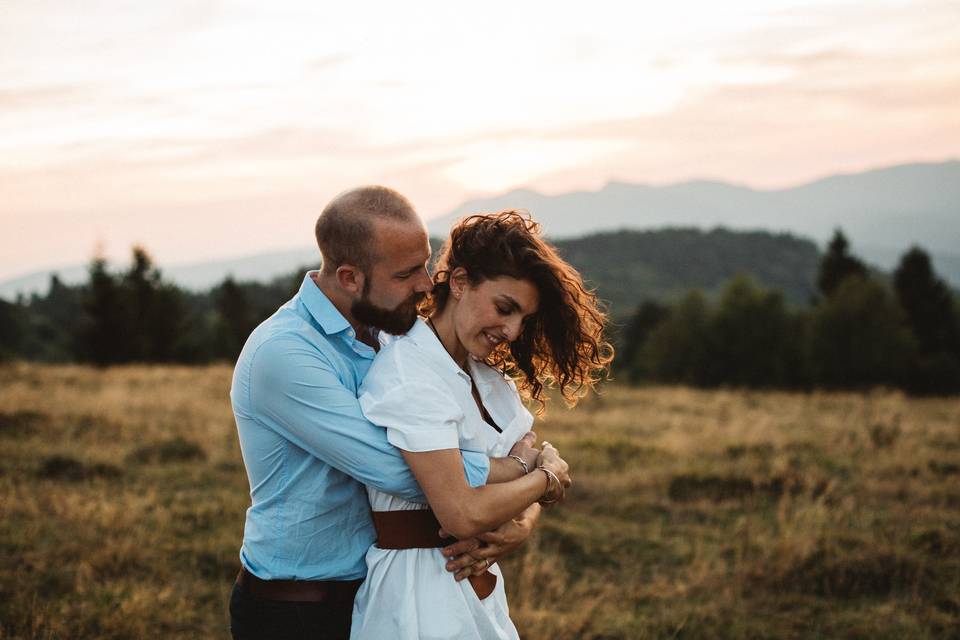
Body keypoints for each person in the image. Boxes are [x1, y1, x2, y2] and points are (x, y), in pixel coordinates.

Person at [228, 187, 542, 640]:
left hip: (371, 591)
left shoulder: (389, 334)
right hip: (295, 610)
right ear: (350, 277)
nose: (425, 284)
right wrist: (524, 471)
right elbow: (396, 469)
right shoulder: (285, 353)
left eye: (425, 263)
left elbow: (468, 440)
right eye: (407, 272)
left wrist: (521, 520)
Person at [350, 211, 613, 639]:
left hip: (478, 589)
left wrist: (522, 522)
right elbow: (463, 513)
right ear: (458, 282)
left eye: (523, 319)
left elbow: (523, 458)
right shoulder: (408, 372)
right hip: (416, 595)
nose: (511, 330)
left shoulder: (488, 378)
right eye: (504, 308)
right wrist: (547, 478)